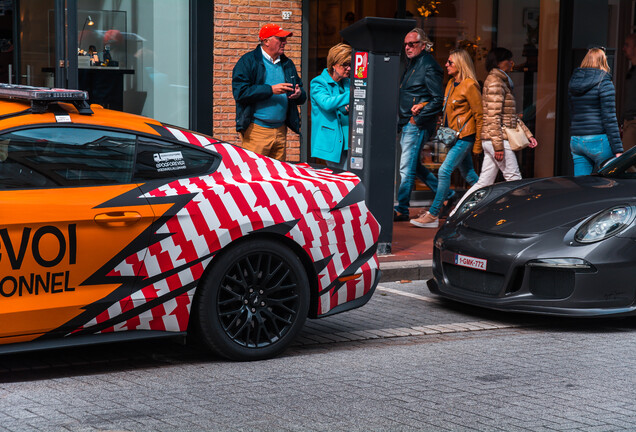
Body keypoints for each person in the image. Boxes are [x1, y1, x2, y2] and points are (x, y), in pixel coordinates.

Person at [449, 48, 538, 216]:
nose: (512, 62)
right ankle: (521, 216)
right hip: (497, 139)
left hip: (493, 138)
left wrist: (528, 134)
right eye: (508, 60)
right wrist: (498, 146)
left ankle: (456, 213)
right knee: (514, 179)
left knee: (483, 182)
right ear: (499, 62)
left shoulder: (501, 81)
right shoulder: (496, 82)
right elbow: (493, 115)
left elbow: (508, 114)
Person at [410, 48, 480, 228]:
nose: (446, 65)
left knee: (444, 171)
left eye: (450, 62)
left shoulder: (470, 85)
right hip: (453, 137)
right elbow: (443, 103)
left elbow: (480, 115)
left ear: (460, 64)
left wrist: (477, 145)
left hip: (465, 137)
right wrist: (423, 105)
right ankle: (488, 202)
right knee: (469, 175)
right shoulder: (451, 84)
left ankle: (433, 214)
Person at [232, 23, 307, 161]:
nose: (285, 42)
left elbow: (302, 94)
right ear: (266, 41)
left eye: (285, 39)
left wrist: (298, 94)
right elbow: (240, 92)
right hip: (257, 131)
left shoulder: (287, 63)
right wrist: (271, 90)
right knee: (255, 173)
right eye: (280, 39)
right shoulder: (248, 61)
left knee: (277, 176)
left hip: (280, 130)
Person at [393, 28, 445, 222]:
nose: (407, 47)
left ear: (423, 45)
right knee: (413, 165)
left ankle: (403, 208)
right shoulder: (413, 63)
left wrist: (419, 117)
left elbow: (437, 99)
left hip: (417, 124)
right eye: (405, 44)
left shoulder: (429, 65)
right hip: (408, 122)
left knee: (406, 168)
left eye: (412, 44)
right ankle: (446, 194)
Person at [568, 47, 623, 176]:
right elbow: (609, 118)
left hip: (576, 140)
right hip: (598, 140)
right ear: (604, 62)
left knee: (581, 186)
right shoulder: (604, 83)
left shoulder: (573, 83)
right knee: (609, 183)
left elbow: (572, 112)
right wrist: (618, 149)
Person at [310, 43, 352, 170]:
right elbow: (327, 103)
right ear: (334, 64)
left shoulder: (347, 82)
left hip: (349, 140)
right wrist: (354, 94)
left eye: (350, 65)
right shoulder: (318, 82)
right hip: (331, 141)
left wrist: (345, 108)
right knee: (343, 179)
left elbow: (340, 107)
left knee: (352, 178)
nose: (349, 68)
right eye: (345, 65)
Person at [622, 34, 636, 151]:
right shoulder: (631, 71)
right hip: (629, 122)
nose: (624, 48)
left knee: (628, 164)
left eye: (627, 45)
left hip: (633, 122)